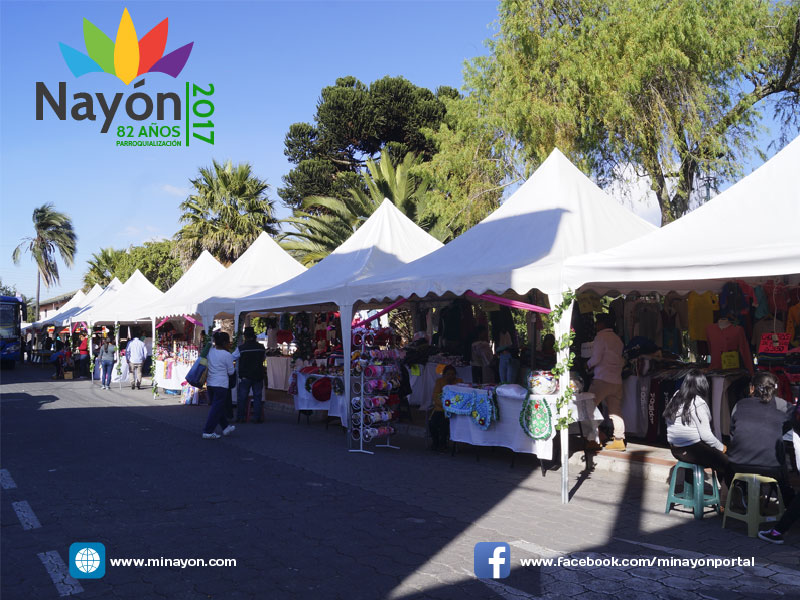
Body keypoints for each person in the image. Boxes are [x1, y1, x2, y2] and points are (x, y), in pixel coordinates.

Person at [726, 371, 794, 508]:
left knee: (728, 469)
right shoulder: (782, 405)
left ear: (752, 388)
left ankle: (742, 492)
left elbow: (732, 432)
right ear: (775, 389)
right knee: (780, 468)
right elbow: (793, 421)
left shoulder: (740, 404)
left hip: (738, 464)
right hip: (771, 467)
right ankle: (788, 503)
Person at [663, 369, 731, 485]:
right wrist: (723, 448)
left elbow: (667, 422)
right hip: (692, 451)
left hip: (675, 450)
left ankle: (691, 495)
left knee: (711, 454)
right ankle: (729, 499)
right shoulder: (698, 402)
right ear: (702, 385)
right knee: (728, 463)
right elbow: (706, 436)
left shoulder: (676, 396)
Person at [587, 313, 626, 451]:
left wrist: (587, 365)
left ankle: (596, 438)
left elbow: (596, 358)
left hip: (602, 379)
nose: (596, 325)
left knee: (588, 408)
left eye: (598, 322)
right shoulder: (617, 339)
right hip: (616, 380)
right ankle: (619, 440)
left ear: (603, 324)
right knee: (615, 411)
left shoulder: (600, 337)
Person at [202, 331, 237, 439]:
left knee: (217, 407)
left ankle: (225, 427)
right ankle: (208, 431)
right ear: (226, 343)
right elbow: (231, 372)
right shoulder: (227, 355)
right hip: (221, 384)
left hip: (210, 383)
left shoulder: (210, 351)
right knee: (216, 408)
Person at [232, 327, 266, 423]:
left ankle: (241, 417)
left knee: (242, 397)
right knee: (257, 397)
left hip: (245, 376)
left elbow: (232, 358)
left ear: (245, 336)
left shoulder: (241, 348)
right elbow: (263, 359)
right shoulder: (261, 347)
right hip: (258, 375)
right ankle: (257, 417)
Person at [429, 365, 462, 451]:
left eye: (452, 374)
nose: (450, 376)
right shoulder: (439, 382)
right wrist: (444, 405)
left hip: (454, 409)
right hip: (441, 408)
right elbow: (435, 396)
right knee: (432, 423)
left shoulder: (459, 382)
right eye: (448, 374)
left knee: (444, 424)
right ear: (444, 375)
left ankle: (443, 444)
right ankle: (435, 442)